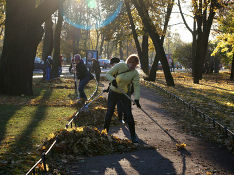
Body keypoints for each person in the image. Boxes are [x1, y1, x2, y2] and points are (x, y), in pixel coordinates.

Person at [104, 54, 141, 143]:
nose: (133, 66)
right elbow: (108, 74)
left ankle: (133, 136)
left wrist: (137, 99)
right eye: (132, 64)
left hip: (124, 94)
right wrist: (113, 80)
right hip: (113, 92)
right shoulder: (120, 66)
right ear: (128, 62)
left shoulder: (135, 73)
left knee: (129, 114)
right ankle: (104, 133)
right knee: (109, 112)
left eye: (135, 65)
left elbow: (136, 86)